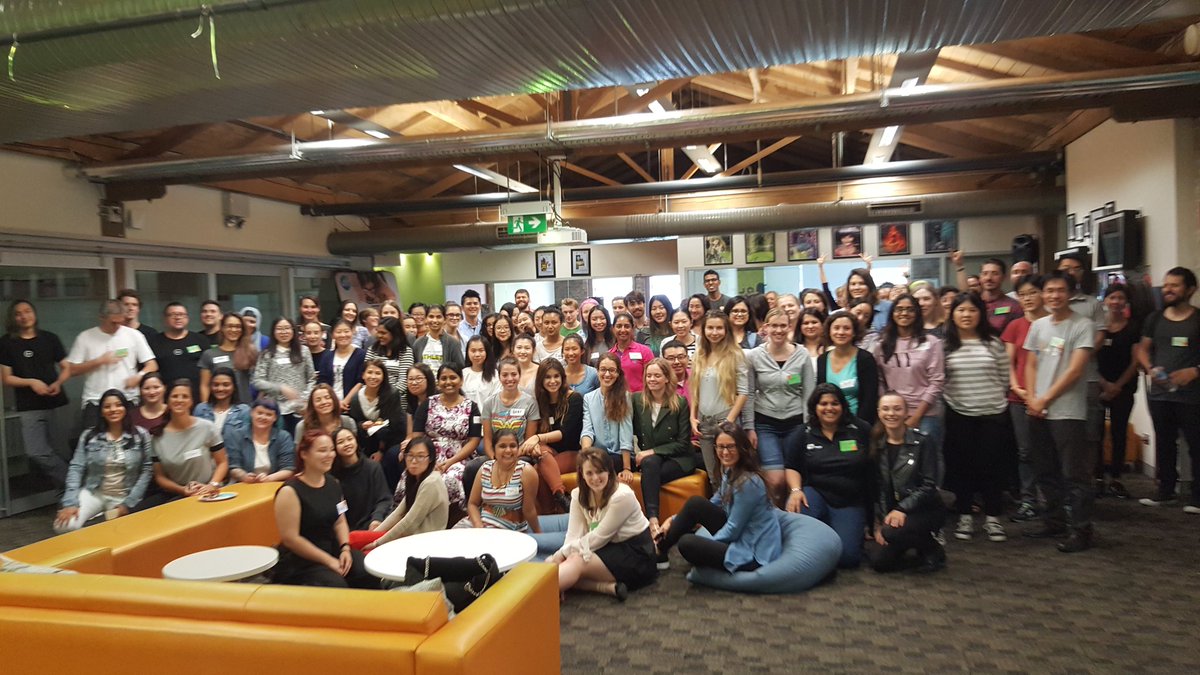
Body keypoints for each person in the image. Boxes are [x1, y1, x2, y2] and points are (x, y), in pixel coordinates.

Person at [1022, 271, 1097, 553]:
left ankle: (1081, 529)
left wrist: (1045, 399)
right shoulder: (1039, 325)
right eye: (1049, 290)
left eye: (1060, 290)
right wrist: (1032, 398)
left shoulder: (1082, 325)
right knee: (1044, 470)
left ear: (1071, 293)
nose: (1054, 295)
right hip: (1037, 409)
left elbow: (1076, 370)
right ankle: (1054, 522)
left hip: (1067, 411)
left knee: (1074, 474)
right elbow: (1030, 364)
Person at [657, 421, 781, 574]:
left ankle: (659, 551)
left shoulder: (749, 483)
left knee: (687, 543)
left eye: (730, 446)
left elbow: (733, 530)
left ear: (741, 447)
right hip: (741, 535)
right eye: (720, 447)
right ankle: (659, 550)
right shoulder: (730, 470)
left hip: (753, 551)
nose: (725, 452)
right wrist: (673, 519)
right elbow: (712, 503)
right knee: (695, 503)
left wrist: (706, 544)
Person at [943, 292, 1012, 543]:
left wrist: (993, 400)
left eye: (972, 310)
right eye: (961, 310)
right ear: (953, 314)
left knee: (992, 468)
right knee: (962, 469)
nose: (966, 315)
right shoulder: (946, 344)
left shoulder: (993, 342)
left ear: (981, 313)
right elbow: (942, 380)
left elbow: (1005, 377)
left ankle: (993, 518)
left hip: (992, 414)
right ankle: (965, 515)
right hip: (959, 413)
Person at [548, 446, 658, 599]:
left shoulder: (622, 496)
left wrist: (560, 555)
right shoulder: (578, 495)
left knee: (576, 561)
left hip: (635, 554)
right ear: (582, 474)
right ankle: (606, 588)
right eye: (589, 473)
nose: (595, 478)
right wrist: (561, 556)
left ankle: (537, 595)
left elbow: (599, 538)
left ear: (609, 471)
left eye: (600, 471)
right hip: (607, 548)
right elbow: (573, 535)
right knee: (564, 561)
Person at [272, 430, 375, 588]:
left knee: (367, 571)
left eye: (331, 449)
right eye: (322, 450)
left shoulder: (333, 483)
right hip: (302, 559)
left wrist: (345, 548)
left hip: (331, 547)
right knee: (336, 585)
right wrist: (328, 561)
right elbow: (291, 539)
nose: (329, 455)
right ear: (304, 454)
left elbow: (340, 521)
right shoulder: (290, 491)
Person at [786, 384, 872, 568]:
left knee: (848, 559)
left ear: (843, 406)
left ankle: (838, 530)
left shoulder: (860, 429)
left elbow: (874, 469)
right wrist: (795, 490)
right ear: (815, 408)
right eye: (823, 404)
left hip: (849, 500)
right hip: (815, 493)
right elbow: (791, 466)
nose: (829, 408)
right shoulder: (803, 432)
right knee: (799, 514)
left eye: (835, 403)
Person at [1135, 266, 1200, 511]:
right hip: (1160, 394)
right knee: (1164, 442)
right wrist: (1150, 368)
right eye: (1166, 285)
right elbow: (1142, 349)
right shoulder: (1155, 318)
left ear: (1190, 289)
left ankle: (1197, 496)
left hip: (1193, 396)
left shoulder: (1198, 318)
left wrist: (1194, 371)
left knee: (1196, 444)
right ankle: (1165, 491)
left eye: (1175, 285)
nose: (1168, 289)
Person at [865, 392, 946, 573]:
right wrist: (881, 524)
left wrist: (901, 509)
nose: (891, 413)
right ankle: (910, 546)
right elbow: (879, 489)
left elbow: (929, 485)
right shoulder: (877, 444)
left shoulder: (923, 441)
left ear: (906, 412)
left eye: (897, 408)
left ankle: (932, 549)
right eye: (885, 409)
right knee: (878, 562)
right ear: (879, 412)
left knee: (892, 533)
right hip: (895, 513)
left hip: (926, 509)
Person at [53, 389, 153, 532]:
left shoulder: (141, 435)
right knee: (64, 525)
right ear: (101, 411)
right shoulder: (89, 436)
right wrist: (70, 502)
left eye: (118, 405)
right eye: (107, 406)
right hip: (94, 492)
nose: (113, 409)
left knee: (120, 535)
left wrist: (129, 503)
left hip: (124, 495)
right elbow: (76, 467)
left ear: (125, 408)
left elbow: (146, 470)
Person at [1, 299, 71, 489]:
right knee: (37, 452)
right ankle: (73, 486)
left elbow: (66, 367)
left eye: (27, 311)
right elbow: (6, 378)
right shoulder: (7, 342)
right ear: (13, 318)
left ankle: (68, 493)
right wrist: (31, 382)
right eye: (18, 313)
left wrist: (58, 382)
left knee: (61, 450)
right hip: (28, 405)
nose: (24, 316)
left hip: (56, 401)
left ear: (34, 314)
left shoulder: (50, 338)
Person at [746, 308, 814, 502]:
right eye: (774, 325)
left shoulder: (802, 354)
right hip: (766, 423)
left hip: (796, 423)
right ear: (765, 327)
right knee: (775, 480)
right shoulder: (753, 356)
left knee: (794, 478)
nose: (778, 330)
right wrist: (749, 427)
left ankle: (793, 520)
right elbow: (749, 393)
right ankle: (774, 520)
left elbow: (809, 392)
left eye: (783, 325)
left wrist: (808, 426)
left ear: (790, 327)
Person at [631, 358, 695, 547]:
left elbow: (683, 443)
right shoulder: (637, 400)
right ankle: (654, 522)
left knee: (650, 468)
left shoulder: (680, 402)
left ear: (667, 378)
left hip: (678, 459)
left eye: (657, 375)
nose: (652, 379)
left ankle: (650, 523)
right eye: (649, 375)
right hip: (652, 461)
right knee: (650, 466)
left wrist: (652, 451)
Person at [872, 295, 944, 458]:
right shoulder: (882, 345)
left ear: (917, 313)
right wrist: (887, 409)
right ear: (892, 313)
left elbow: (937, 380)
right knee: (897, 462)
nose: (904, 313)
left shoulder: (932, 342)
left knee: (928, 461)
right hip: (893, 414)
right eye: (899, 309)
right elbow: (880, 380)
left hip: (925, 414)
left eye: (910, 309)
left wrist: (916, 416)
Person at [1001, 274, 1049, 522]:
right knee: (1025, 451)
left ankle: (1052, 500)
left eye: (1033, 292)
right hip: (1019, 397)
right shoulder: (1015, 325)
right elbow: (1009, 362)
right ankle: (1029, 499)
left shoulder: (1055, 323)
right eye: (1023, 294)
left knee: (1051, 451)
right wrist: (1016, 387)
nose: (1028, 298)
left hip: (1052, 397)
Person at [689, 311, 752, 491]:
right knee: (713, 476)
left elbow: (743, 392)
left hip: (726, 421)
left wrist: (729, 421)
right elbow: (695, 390)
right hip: (704, 422)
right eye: (710, 327)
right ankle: (720, 516)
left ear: (726, 330)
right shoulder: (700, 354)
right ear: (704, 330)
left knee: (730, 474)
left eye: (719, 328)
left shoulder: (736, 355)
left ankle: (735, 515)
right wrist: (693, 417)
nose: (714, 332)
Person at [67, 299, 158, 426]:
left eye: (120, 322)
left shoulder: (134, 335)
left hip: (128, 399)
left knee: (131, 440)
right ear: (101, 318)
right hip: (96, 401)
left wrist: (139, 376)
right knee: (94, 442)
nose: (117, 326)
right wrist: (99, 361)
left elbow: (152, 365)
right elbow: (71, 370)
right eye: (113, 322)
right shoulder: (85, 337)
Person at [141, 379, 229, 509]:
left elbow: (222, 462)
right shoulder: (157, 437)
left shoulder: (207, 428)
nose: (179, 400)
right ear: (168, 401)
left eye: (185, 396)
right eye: (175, 396)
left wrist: (212, 485)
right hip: (178, 496)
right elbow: (160, 477)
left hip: (209, 491)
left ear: (191, 401)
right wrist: (182, 490)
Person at [409, 364, 483, 513]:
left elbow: (474, 440)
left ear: (461, 381)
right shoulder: (427, 404)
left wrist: (450, 461)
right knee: (412, 475)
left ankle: (450, 522)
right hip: (428, 456)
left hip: (459, 457)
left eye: (453, 377)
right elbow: (416, 437)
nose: (448, 382)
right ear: (438, 382)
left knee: (449, 478)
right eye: (443, 378)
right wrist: (427, 460)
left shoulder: (472, 407)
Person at [360, 437, 450, 550]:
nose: (414, 461)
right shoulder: (415, 478)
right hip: (411, 538)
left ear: (430, 458)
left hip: (423, 544)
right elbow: (398, 513)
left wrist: (377, 544)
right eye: (410, 455)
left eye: (420, 456)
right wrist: (372, 536)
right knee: (355, 539)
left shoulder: (431, 483)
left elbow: (410, 522)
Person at [1094, 284, 1139, 499]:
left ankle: (1116, 479)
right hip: (1097, 387)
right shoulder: (1097, 328)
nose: (1116, 301)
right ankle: (1098, 478)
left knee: (1119, 433)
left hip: (1124, 388)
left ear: (1126, 302)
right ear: (1105, 300)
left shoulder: (1133, 328)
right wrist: (1104, 384)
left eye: (1121, 298)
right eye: (1112, 297)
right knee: (1096, 434)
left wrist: (1117, 386)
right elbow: (1089, 358)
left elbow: (1135, 361)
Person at [526, 358, 584, 513]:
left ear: (562, 378)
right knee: (543, 453)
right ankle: (561, 496)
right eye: (547, 377)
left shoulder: (574, 399)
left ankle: (548, 511)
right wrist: (536, 442)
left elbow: (565, 433)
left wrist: (538, 438)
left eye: (556, 376)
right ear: (541, 380)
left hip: (572, 453)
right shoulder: (540, 402)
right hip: (548, 453)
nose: (552, 381)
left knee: (538, 471)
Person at [459, 429, 541, 533]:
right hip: (478, 524)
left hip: (508, 529)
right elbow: (472, 504)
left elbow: (529, 511)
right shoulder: (485, 468)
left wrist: (539, 534)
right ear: (494, 450)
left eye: (512, 446)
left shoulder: (527, 471)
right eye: (502, 446)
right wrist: (478, 526)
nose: (508, 450)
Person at [346, 359, 407, 488]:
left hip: (391, 440)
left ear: (383, 376)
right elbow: (354, 423)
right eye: (370, 372)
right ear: (363, 375)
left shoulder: (391, 394)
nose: (373, 377)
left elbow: (394, 425)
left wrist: (381, 451)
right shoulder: (356, 398)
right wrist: (362, 425)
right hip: (367, 441)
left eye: (378, 373)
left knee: (388, 459)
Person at [252, 317, 314, 436]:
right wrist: (280, 388)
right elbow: (258, 381)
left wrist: (305, 398)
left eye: (287, 328)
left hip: (300, 408)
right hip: (275, 408)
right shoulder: (267, 354)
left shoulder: (304, 351)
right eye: (279, 329)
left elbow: (311, 378)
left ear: (293, 330)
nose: (284, 332)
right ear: (273, 332)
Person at [817, 310, 879, 424]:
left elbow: (869, 399)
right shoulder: (822, 360)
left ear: (854, 332)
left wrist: (859, 425)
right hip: (829, 423)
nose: (841, 332)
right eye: (836, 328)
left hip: (858, 422)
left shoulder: (865, 359)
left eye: (846, 328)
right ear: (829, 331)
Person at [581, 353, 634, 478]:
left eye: (612, 370)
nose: (607, 374)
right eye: (603, 370)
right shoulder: (588, 398)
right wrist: (585, 454)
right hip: (598, 454)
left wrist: (627, 468)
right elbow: (587, 430)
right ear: (597, 371)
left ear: (618, 373)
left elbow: (626, 435)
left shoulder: (625, 397)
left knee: (602, 465)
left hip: (620, 456)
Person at [330, 427, 391, 533]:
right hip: (346, 528)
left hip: (373, 524)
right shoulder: (332, 476)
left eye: (350, 439)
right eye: (340, 442)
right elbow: (339, 508)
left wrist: (377, 519)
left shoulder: (373, 467)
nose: (347, 444)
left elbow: (384, 499)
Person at [223, 396, 296, 484]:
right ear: (252, 413)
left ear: (275, 418)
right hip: (244, 484)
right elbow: (233, 467)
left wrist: (269, 478)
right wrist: (244, 476)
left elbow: (288, 468)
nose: (263, 417)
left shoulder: (284, 437)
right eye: (260, 413)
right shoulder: (236, 435)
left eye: (269, 414)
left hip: (274, 484)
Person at [952, 252, 1022, 332]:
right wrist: (959, 266)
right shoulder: (974, 303)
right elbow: (964, 292)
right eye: (985, 274)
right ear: (980, 277)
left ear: (1004, 277)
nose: (989, 278)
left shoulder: (1014, 306)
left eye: (995, 274)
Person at [148, 303, 206, 395]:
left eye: (181, 314)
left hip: (196, 395)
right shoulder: (154, 342)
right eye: (173, 315)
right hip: (165, 396)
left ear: (187, 318)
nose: (178, 318)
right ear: (165, 319)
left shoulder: (200, 339)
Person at [198, 312, 256, 404]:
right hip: (217, 408)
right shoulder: (209, 354)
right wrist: (206, 409)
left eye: (238, 326)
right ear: (222, 328)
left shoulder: (250, 352)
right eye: (230, 326)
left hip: (244, 407)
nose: (234, 329)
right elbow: (204, 385)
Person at [366, 316, 414, 403]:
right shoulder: (372, 349)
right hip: (373, 399)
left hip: (396, 401)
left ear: (394, 333)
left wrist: (385, 397)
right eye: (378, 332)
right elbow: (366, 375)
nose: (379, 336)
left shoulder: (405, 351)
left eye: (383, 333)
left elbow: (403, 382)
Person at [317, 320, 365, 403]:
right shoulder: (327, 356)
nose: (343, 335)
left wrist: (345, 402)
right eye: (338, 332)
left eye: (346, 331)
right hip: (329, 403)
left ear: (352, 332)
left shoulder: (361, 354)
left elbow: (361, 382)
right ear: (332, 335)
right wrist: (332, 402)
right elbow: (322, 381)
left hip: (353, 403)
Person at [193, 367, 251, 436]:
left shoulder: (244, 411)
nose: (220, 389)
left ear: (234, 387)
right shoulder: (201, 409)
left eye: (226, 385)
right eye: (216, 385)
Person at [611, 312, 655, 393]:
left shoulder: (644, 351)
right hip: (617, 401)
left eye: (627, 326)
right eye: (619, 326)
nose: (623, 330)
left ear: (633, 328)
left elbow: (653, 377)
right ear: (613, 329)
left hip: (641, 401)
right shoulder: (609, 355)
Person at [462, 334, 500, 404]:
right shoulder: (463, 374)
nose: (477, 354)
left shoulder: (494, 374)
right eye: (473, 351)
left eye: (481, 350)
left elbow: (496, 401)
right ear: (467, 352)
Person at [130, 372, 168, 436]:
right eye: (147, 388)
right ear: (140, 390)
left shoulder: (172, 412)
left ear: (164, 388)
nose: (152, 392)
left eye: (156, 387)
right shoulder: (132, 416)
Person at [662, 342, 693, 407]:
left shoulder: (697, 377)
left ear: (687, 358)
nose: (676, 362)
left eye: (681, 357)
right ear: (663, 360)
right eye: (671, 358)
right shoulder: (660, 382)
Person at [797, 308, 826, 372]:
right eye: (806, 323)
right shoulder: (793, 349)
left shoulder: (830, 347)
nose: (810, 326)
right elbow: (791, 376)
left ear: (822, 324)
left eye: (814, 322)